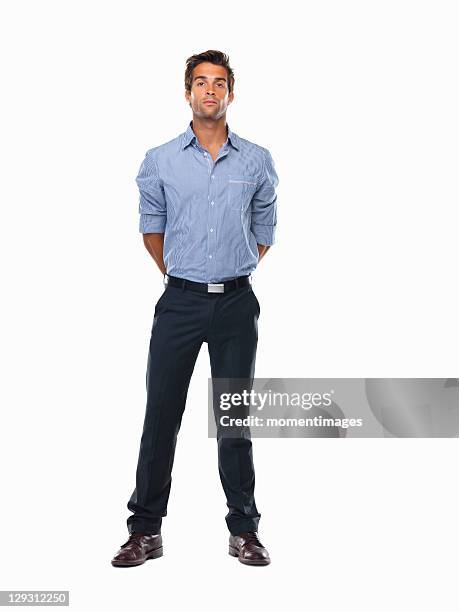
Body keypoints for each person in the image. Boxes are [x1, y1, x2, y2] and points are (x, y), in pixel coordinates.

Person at [111, 50, 278, 567]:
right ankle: (144, 530)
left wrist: (232, 271)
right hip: (178, 303)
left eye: (219, 83)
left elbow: (265, 230)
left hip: (235, 305)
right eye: (200, 83)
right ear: (187, 92)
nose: (210, 91)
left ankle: (244, 530)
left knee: (234, 419)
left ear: (231, 93)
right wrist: (182, 276)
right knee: (161, 415)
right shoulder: (160, 159)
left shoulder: (255, 160)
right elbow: (151, 229)